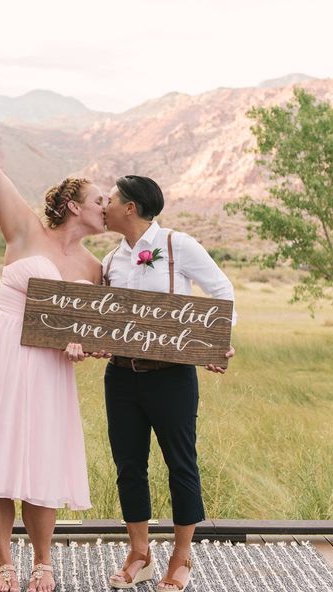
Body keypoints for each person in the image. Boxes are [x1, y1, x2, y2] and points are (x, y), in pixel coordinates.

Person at [0, 88, 105, 592]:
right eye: (99, 200)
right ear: (75, 205)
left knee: (42, 458)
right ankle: (4, 562)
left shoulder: (97, 269)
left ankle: (44, 562)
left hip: (50, 367)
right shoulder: (25, 231)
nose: (107, 206)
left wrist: (80, 341)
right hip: (1, 350)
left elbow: (100, 330)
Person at [102, 175, 236, 592]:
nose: (103, 206)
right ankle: (139, 555)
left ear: (130, 208)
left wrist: (216, 343)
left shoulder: (180, 246)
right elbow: (102, 320)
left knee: (181, 463)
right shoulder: (109, 261)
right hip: (121, 376)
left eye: (109, 200)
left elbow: (221, 290)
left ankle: (181, 558)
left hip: (173, 377)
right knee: (128, 466)